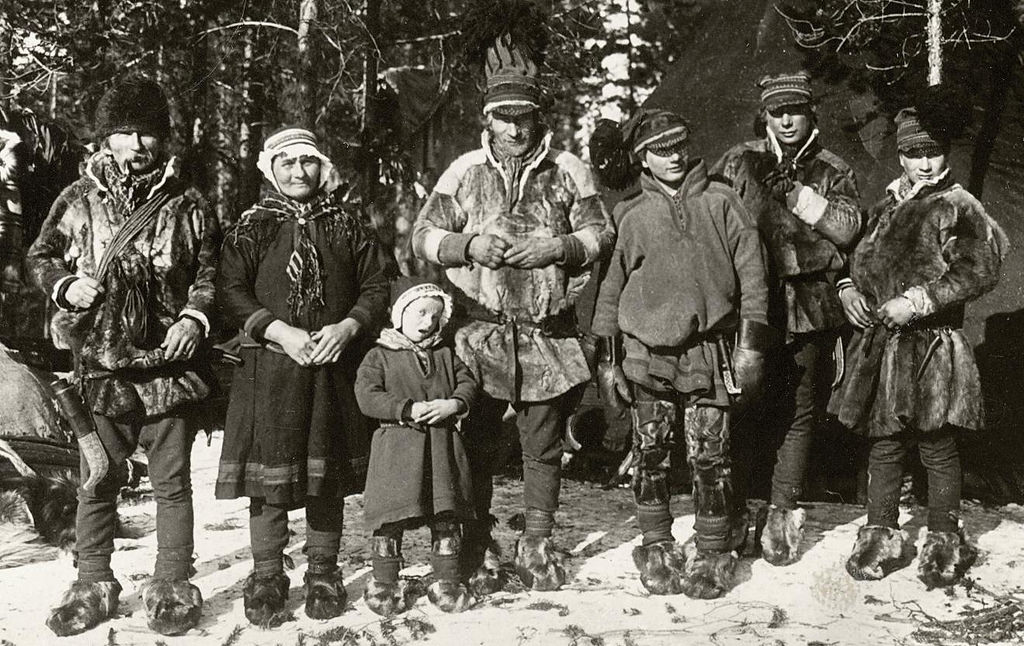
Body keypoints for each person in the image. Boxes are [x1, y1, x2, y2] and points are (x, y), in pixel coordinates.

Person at [412, 36, 614, 592]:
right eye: (503, 118)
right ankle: (477, 538)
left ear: (536, 117)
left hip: (548, 335)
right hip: (479, 333)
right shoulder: (464, 171)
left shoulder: (568, 168)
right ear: (488, 120)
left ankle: (538, 543)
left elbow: (603, 232)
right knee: (474, 440)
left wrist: (559, 248)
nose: (514, 129)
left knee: (543, 444)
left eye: (523, 116)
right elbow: (423, 235)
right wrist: (468, 246)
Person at [27, 76, 219, 637]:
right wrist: (64, 286)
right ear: (106, 138)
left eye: (148, 134)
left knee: (172, 483)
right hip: (101, 368)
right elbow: (39, 254)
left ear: (164, 139)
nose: (138, 144)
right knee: (98, 477)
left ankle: (172, 582)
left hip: (169, 370)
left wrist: (194, 318)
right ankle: (92, 581)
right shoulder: (77, 199)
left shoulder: (189, 203)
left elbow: (210, 274)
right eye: (125, 133)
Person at [590, 109, 770, 599]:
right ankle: (655, 545)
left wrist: (751, 347)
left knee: (711, 454)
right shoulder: (630, 215)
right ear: (642, 159)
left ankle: (712, 550)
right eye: (659, 150)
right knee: (650, 452)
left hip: (710, 354)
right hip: (647, 357)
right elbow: (608, 293)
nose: (671, 157)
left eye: (678, 147)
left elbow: (754, 280)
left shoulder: (722, 201)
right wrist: (607, 362)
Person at [215, 126, 390, 625]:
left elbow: (377, 282)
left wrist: (350, 324)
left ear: (323, 167)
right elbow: (230, 290)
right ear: (271, 169)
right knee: (267, 479)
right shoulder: (253, 226)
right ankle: (267, 574)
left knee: (324, 476)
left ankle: (323, 571)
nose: (299, 172)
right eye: (287, 163)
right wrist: (279, 332)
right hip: (269, 370)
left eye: (308, 162)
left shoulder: (348, 224)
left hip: (333, 368)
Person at [829, 98, 1007, 587]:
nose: (926, 162)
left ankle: (944, 541)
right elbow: (859, 260)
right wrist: (849, 289)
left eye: (933, 151)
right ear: (900, 157)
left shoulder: (956, 204)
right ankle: (878, 536)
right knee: (884, 443)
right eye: (915, 153)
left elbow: (981, 268)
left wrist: (920, 300)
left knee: (935, 444)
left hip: (930, 345)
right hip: (884, 347)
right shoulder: (888, 205)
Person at [712, 72, 861, 566]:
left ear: (811, 113)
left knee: (798, 412)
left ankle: (782, 513)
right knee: (740, 405)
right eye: (777, 111)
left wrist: (798, 194)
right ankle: (733, 510)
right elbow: (711, 224)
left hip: (811, 307)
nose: (786, 119)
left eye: (795, 109)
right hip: (749, 307)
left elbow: (849, 231)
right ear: (766, 115)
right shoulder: (739, 161)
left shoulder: (831, 167)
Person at [355, 278, 478, 615]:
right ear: (400, 314)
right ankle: (384, 583)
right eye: (421, 313)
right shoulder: (379, 354)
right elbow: (367, 395)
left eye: (435, 316)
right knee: (390, 519)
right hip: (396, 452)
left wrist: (454, 404)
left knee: (445, 515)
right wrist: (405, 409)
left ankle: (448, 581)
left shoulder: (445, 353)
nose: (428, 322)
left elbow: (468, 382)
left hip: (441, 451)